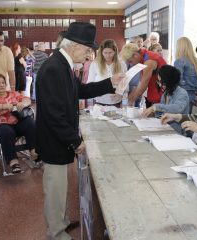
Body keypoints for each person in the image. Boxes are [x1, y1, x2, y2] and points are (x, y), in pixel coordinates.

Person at [36, 22, 125, 240]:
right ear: (74, 45)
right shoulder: (54, 68)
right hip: (53, 140)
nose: (89, 56)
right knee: (55, 188)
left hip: (59, 139)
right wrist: (75, 141)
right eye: (87, 50)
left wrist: (109, 82)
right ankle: (55, 233)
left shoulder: (63, 65)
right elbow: (54, 114)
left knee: (61, 185)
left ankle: (62, 221)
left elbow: (80, 90)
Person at [0, 73, 37, 173]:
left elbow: (27, 100)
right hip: (1, 125)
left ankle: (34, 151)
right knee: (6, 131)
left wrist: (22, 103)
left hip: (17, 122)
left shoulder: (13, 94)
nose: (1, 85)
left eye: (3, 82)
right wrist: (3, 106)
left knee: (30, 122)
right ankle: (13, 161)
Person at [141, 65, 189, 132]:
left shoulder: (182, 93)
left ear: (170, 81)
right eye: (159, 82)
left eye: (162, 82)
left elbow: (176, 108)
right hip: (165, 128)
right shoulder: (166, 93)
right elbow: (162, 112)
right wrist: (151, 113)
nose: (160, 85)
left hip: (177, 132)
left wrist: (155, 107)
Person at [120, 43, 167, 107]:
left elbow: (143, 86)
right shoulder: (143, 58)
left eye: (130, 61)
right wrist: (128, 100)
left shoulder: (149, 61)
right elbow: (140, 84)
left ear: (135, 55)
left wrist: (129, 102)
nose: (131, 64)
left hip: (165, 96)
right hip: (158, 94)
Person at [87, 39, 127, 106]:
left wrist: (120, 93)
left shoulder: (121, 64)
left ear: (115, 52)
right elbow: (90, 82)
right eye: (105, 53)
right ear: (101, 52)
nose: (108, 56)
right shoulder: (95, 63)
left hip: (116, 101)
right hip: (99, 100)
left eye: (110, 52)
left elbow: (125, 81)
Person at [174, 37, 197, 113]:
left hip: (182, 94)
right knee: (189, 118)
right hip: (194, 96)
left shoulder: (179, 61)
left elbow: (178, 79)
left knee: (180, 119)